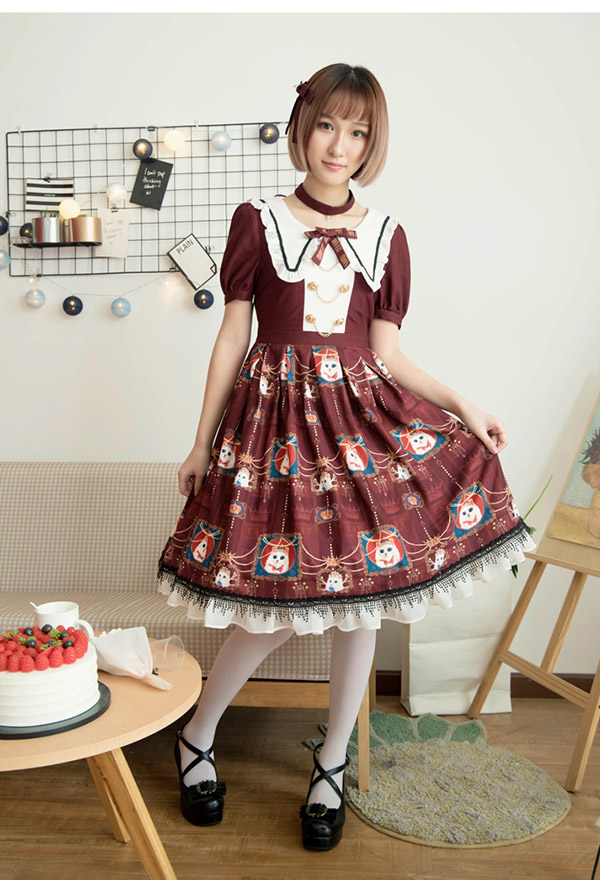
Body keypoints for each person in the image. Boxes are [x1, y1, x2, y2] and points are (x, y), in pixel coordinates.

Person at [159, 62, 536, 851]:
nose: (340, 145)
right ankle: (197, 734)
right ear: (303, 127)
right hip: (274, 432)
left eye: (358, 132)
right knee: (268, 606)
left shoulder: (387, 233)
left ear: (372, 143)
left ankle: (331, 762)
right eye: (328, 125)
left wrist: (462, 405)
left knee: (363, 598)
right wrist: (199, 440)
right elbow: (232, 337)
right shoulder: (256, 219)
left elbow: (387, 353)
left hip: (358, 430)